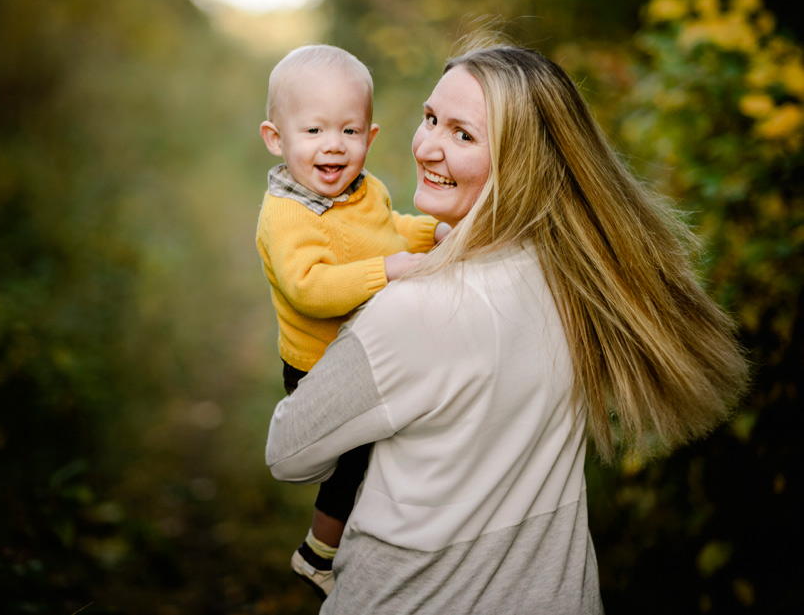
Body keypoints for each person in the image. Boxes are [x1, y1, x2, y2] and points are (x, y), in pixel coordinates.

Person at [265, 42, 748, 612]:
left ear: (520, 162)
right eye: (430, 119)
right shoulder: (572, 274)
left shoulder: (415, 310)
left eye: (463, 135)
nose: (428, 147)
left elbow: (289, 453)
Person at [255, 44, 449, 596]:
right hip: (319, 365)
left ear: (371, 135)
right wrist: (388, 271)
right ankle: (318, 552)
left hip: (364, 351)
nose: (333, 147)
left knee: (380, 461)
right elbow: (309, 288)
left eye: (350, 132)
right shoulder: (287, 214)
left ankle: (348, 547)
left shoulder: (365, 190)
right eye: (313, 132)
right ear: (277, 138)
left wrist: (431, 234)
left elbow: (390, 228)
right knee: (352, 463)